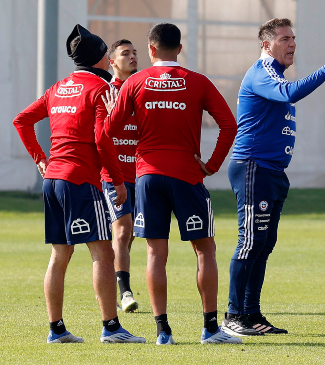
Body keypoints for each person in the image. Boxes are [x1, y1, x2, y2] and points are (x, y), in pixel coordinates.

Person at [105, 22, 240, 345]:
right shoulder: (197, 82)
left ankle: (162, 331)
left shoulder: (134, 83)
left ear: (151, 50)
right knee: (204, 248)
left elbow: (107, 133)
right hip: (187, 175)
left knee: (155, 252)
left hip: (148, 177)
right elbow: (229, 125)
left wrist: (112, 115)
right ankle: (210, 329)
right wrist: (211, 164)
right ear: (179, 49)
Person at [13, 24, 145, 344]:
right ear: (102, 58)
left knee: (60, 256)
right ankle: (111, 328)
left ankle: (56, 330)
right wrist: (117, 180)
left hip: (53, 179)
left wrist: (39, 158)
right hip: (81, 182)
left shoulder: (58, 87)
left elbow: (22, 120)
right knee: (103, 253)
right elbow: (102, 138)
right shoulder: (99, 89)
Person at [221, 18, 325, 337]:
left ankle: (250, 313)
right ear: (266, 45)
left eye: (293, 38)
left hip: (272, 171)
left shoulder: (274, 74)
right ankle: (233, 316)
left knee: (263, 244)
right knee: (250, 242)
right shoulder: (262, 72)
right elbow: (291, 91)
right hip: (253, 167)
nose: (292, 43)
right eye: (284, 38)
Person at [100, 39, 140, 313]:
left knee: (131, 235)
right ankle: (125, 293)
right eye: (125, 53)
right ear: (112, 62)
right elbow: (101, 136)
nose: (132, 56)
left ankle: (112, 282)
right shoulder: (105, 93)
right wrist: (113, 114)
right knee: (123, 231)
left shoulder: (144, 90)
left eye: (135, 52)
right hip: (114, 175)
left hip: (142, 175)